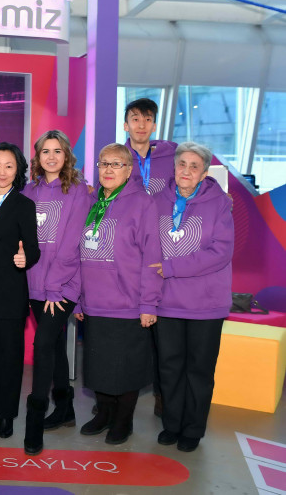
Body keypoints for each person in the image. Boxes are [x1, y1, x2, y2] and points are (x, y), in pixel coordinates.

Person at [75, 143, 163, 445]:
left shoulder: (143, 203)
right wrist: (78, 298)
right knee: (98, 366)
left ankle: (123, 421)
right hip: (94, 303)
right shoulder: (91, 201)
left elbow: (153, 257)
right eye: (104, 164)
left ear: (129, 170)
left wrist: (149, 303)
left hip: (128, 303)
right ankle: (103, 414)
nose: (109, 170)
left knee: (126, 368)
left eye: (116, 164)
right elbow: (78, 253)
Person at [151, 142, 233, 453]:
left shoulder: (220, 203)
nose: (186, 170)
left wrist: (171, 267)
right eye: (182, 164)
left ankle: (193, 428)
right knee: (169, 367)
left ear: (204, 173)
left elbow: (221, 252)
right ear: (174, 167)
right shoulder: (157, 201)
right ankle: (172, 424)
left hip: (206, 304)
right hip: (166, 301)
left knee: (199, 370)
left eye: (194, 166)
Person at [22, 130, 92, 455]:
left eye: (57, 151)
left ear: (67, 156)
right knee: (55, 347)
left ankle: (34, 422)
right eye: (45, 151)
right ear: (37, 157)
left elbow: (71, 245)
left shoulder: (79, 191)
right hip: (33, 283)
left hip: (63, 286)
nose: (51, 157)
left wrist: (53, 287)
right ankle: (65, 409)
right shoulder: (29, 190)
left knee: (43, 345)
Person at [0, 142, 39, 439]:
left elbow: (33, 249)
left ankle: (8, 413)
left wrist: (26, 259)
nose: (2, 171)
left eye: (9, 166)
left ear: (18, 170)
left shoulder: (24, 205)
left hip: (11, 290)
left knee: (10, 356)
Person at [123, 97, 177, 417]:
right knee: (128, 332)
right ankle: (116, 396)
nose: (141, 125)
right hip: (128, 253)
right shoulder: (116, 158)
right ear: (125, 124)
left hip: (163, 249)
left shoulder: (172, 156)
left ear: (154, 125)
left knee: (162, 334)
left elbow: (193, 184)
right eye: (135, 118)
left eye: (147, 119)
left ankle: (162, 395)